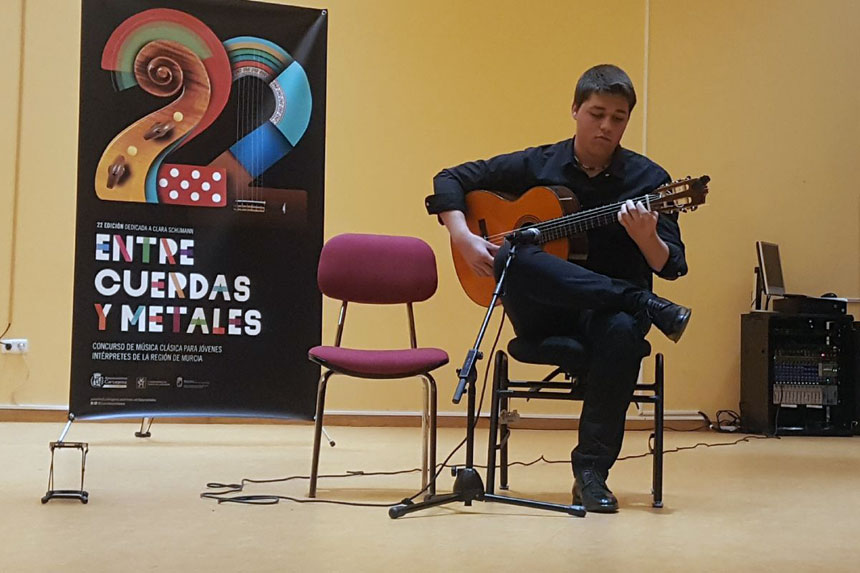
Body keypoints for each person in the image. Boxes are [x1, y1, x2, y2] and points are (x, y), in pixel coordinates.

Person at [424, 64, 691, 513]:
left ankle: (590, 474)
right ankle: (640, 300)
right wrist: (462, 236)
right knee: (514, 253)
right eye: (597, 113)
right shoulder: (540, 163)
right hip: (544, 312)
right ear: (575, 110)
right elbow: (449, 178)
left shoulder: (650, 182)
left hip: (608, 319)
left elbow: (672, 265)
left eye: (618, 118)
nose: (606, 126)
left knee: (622, 331)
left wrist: (648, 238)